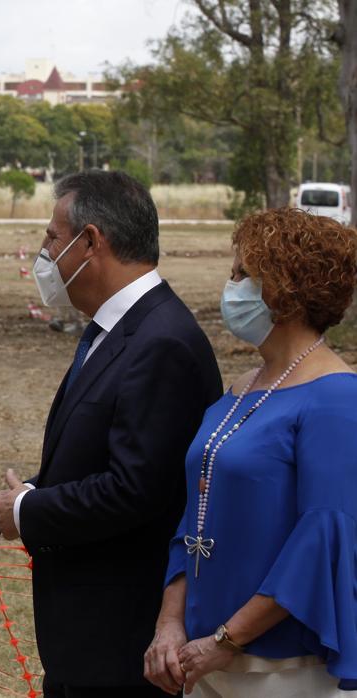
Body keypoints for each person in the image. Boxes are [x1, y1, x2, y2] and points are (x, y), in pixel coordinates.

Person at [0, 170, 222, 697]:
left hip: (122, 645)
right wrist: (32, 490)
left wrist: (26, 513)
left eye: (51, 237)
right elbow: (101, 454)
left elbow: (134, 489)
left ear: (91, 242)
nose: (44, 253)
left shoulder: (162, 343)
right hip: (83, 639)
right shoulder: (112, 328)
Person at [144, 209, 357, 697]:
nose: (231, 286)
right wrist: (170, 622)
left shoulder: (337, 398)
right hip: (201, 656)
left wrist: (230, 638)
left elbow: (322, 537)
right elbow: (194, 517)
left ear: (284, 287)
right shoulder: (240, 389)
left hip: (280, 669)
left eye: (243, 273)